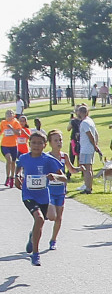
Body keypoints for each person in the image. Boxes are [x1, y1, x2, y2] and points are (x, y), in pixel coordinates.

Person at [17, 131, 65, 266]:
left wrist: (55, 176)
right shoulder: (24, 157)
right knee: (39, 218)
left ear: (44, 145)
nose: (36, 146)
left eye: (39, 143)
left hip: (43, 197)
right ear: (29, 144)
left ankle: (33, 236)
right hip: (28, 195)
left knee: (40, 223)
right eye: (33, 143)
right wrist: (17, 177)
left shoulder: (48, 160)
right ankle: (36, 254)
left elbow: (64, 178)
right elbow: (19, 167)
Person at [45, 129, 74, 249]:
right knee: (52, 216)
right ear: (50, 142)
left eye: (60, 140)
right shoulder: (46, 157)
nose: (59, 142)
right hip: (49, 191)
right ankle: (35, 232)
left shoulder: (64, 156)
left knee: (59, 217)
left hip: (60, 191)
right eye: (56, 140)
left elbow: (71, 170)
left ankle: (53, 240)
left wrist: (81, 169)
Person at [75, 104, 100, 195]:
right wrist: (95, 144)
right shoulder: (90, 121)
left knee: (86, 169)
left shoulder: (85, 122)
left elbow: (90, 135)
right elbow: (96, 133)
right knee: (89, 168)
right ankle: (88, 186)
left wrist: (94, 145)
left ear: (81, 112)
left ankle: (88, 188)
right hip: (89, 148)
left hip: (86, 148)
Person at [2, 108, 21, 187]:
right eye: (7, 113)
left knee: (13, 162)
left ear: (13, 115)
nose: (9, 115)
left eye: (10, 113)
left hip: (13, 145)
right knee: (8, 159)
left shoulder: (16, 123)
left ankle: (12, 178)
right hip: (4, 145)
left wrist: (11, 128)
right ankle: (7, 177)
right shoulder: (3, 123)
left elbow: (19, 134)